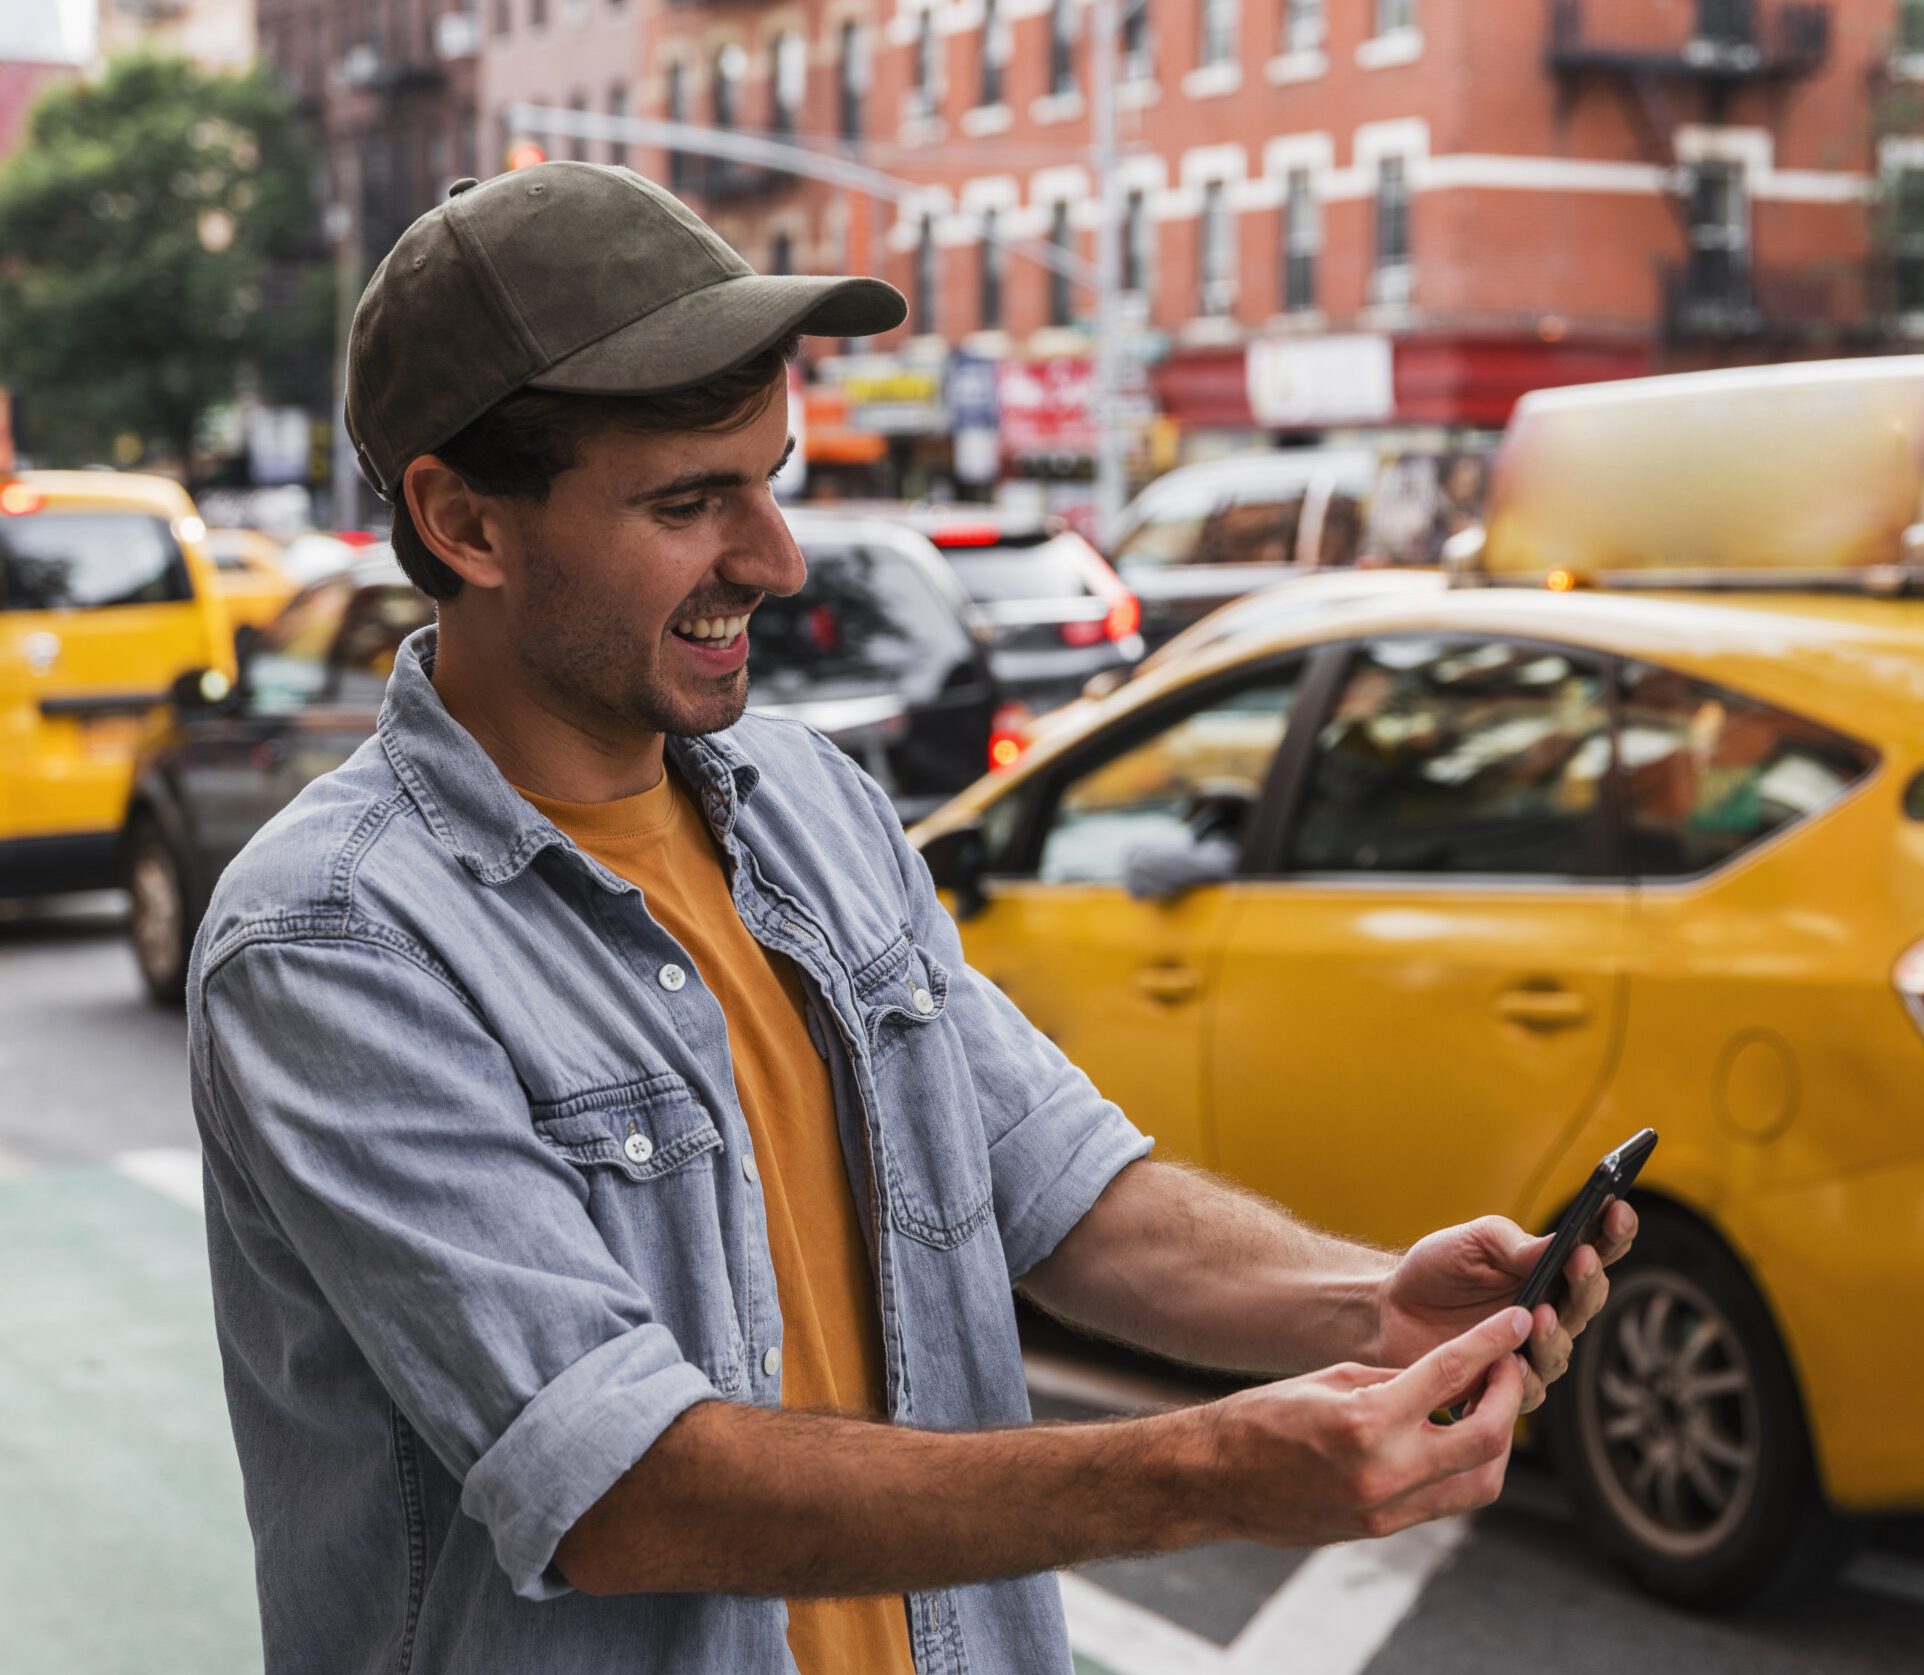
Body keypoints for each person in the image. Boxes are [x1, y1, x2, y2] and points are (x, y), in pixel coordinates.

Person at [189, 162, 1636, 1675]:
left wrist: (1358, 1306)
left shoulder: (810, 803)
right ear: (462, 522)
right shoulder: (331, 942)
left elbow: (1058, 1189)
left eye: (771, 478)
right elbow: (619, 1488)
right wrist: (1208, 1472)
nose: (776, 558)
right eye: (690, 503)